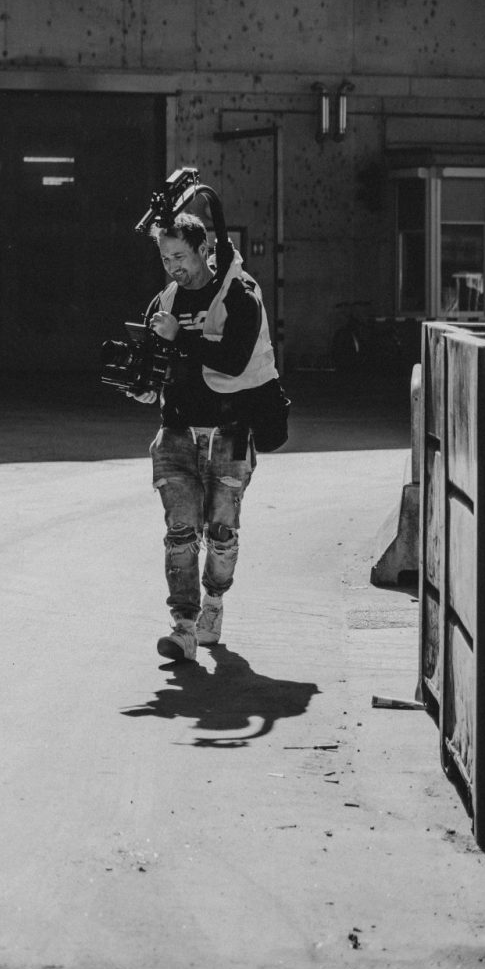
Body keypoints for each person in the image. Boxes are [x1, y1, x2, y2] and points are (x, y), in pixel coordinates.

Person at [136, 212, 278, 663]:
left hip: (230, 432)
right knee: (179, 532)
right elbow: (154, 362)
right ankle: (183, 627)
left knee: (221, 533)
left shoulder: (240, 294)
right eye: (164, 257)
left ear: (203, 249)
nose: (173, 265)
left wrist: (181, 338)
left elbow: (235, 360)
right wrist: (143, 386)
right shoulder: (165, 300)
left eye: (179, 255)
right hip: (176, 430)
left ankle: (214, 602)